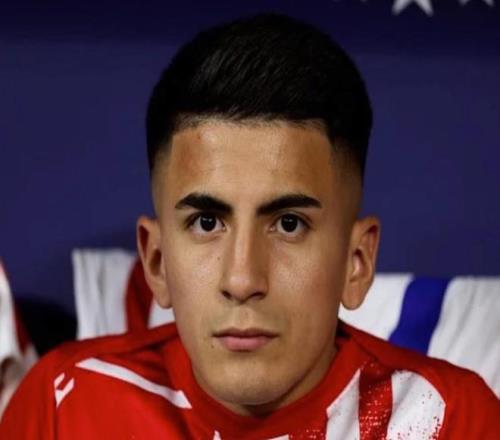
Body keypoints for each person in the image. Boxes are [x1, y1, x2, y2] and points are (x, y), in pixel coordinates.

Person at [0, 12, 498, 439]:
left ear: (357, 262)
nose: (242, 280)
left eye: (289, 224)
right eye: (207, 222)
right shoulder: (63, 404)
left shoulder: (448, 420)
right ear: (156, 260)